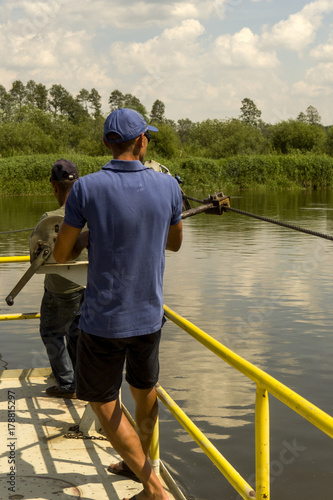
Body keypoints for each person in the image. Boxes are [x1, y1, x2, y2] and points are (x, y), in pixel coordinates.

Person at [53, 108, 183, 500]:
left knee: (102, 400)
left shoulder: (86, 189)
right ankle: (143, 465)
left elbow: (61, 256)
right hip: (149, 315)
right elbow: (174, 244)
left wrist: (91, 234)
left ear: (107, 144)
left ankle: (153, 487)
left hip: (103, 320)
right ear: (142, 141)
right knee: (145, 391)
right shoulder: (169, 186)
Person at [35, 159, 85, 399]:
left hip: (59, 291)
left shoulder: (49, 218)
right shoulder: (90, 214)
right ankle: (79, 379)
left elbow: (36, 256)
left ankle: (67, 384)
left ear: (54, 187)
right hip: (85, 286)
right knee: (76, 333)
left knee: (51, 332)